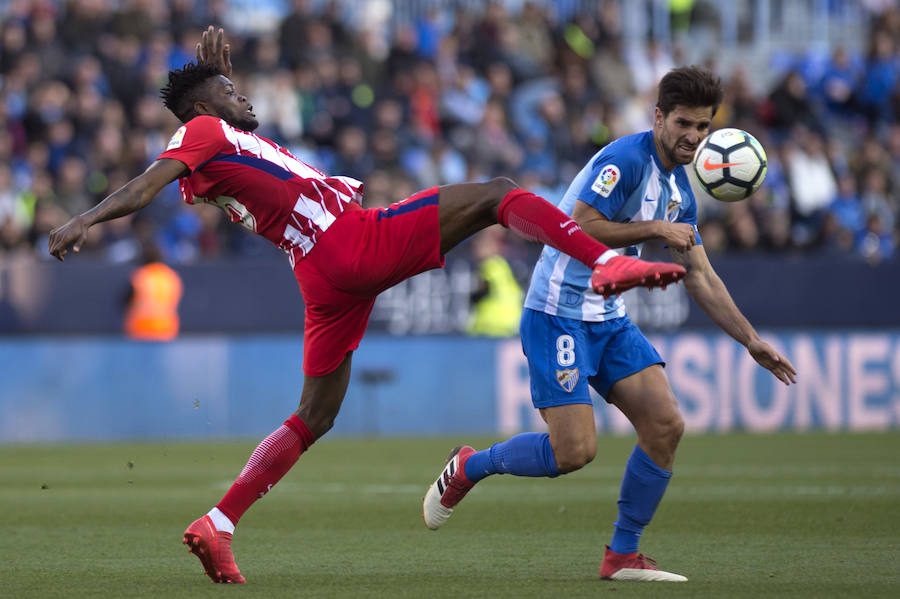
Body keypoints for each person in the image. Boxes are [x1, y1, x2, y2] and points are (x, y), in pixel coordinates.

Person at [47, 27, 687, 584]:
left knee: (314, 415)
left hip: (321, 280)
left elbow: (217, 147)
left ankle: (220, 521)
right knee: (497, 192)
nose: (242, 99)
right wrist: (86, 219)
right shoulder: (202, 130)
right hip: (347, 239)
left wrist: (217, 81)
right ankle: (605, 261)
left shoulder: (209, 146)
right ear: (199, 108)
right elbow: (148, 181)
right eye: (228, 92)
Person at [423, 66, 798, 582]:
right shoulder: (625, 159)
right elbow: (579, 224)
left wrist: (751, 339)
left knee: (665, 425)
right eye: (684, 123)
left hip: (608, 317)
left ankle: (622, 555)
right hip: (558, 312)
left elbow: (700, 275)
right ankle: (469, 466)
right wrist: (654, 229)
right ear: (659, 117)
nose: (692, 137)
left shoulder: (680, 192)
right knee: (573, 452)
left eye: (703, 128)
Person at [123, 244, 183, 341]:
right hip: (167, 329)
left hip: (141, 329)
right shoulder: (171, 276)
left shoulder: (141, 276)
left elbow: (125, 300)